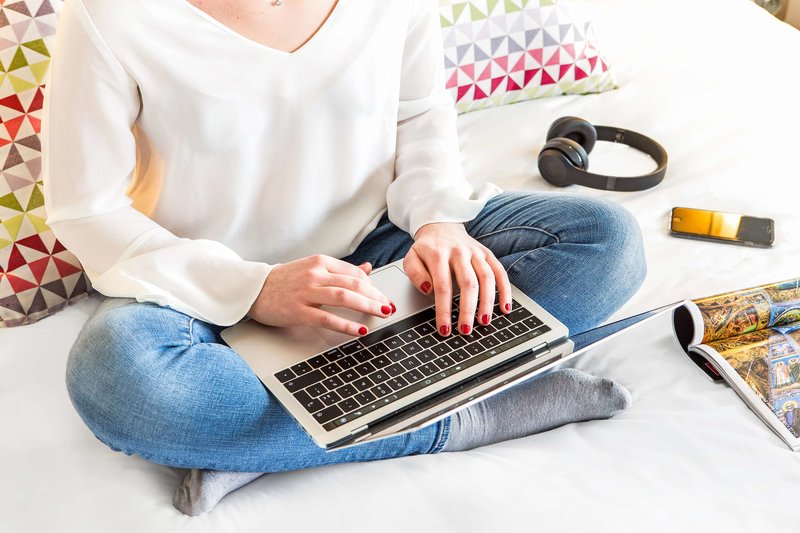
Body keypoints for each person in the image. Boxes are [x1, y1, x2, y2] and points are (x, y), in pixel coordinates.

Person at [42, 0, 647, 516]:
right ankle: (470, 417)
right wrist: (253, 290)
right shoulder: (108, 13)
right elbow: (85, 210)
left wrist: (438, 220)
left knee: (607, 242)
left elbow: (418, 113)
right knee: (118, 380)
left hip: (379, 245)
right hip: (200, 286)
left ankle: (274, 443)